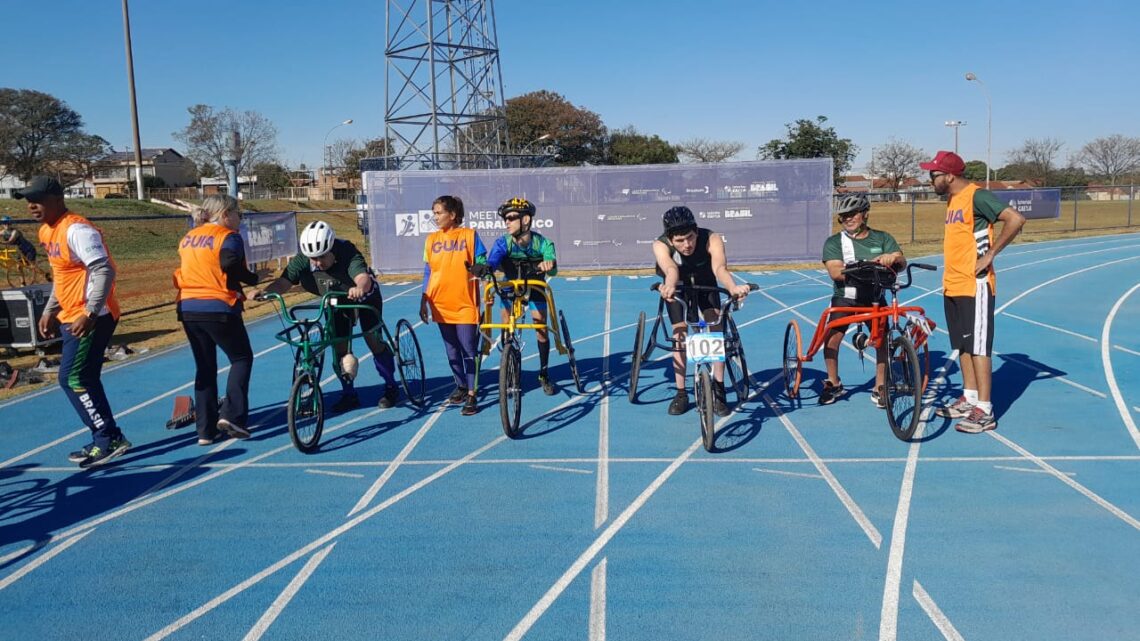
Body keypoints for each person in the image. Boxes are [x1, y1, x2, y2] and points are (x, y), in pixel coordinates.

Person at [17, 176, 130, 469]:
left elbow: (104, 270)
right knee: (84, 378)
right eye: (29, 201)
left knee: (73, 378)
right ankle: (107, 437)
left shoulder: (77, 229)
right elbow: (61, 275)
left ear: (57, 199)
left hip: (92, 317)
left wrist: (90, 312)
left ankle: (107, 438)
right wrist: (50, 310)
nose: (32, 206)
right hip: (71, 315)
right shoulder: (46, 231)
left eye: (38, 200)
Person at [921, 151, 1025, 433]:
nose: (930, 179)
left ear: (949, 176)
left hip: (974, 284)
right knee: (963, 346)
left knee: (979, 347)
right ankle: (969, 398)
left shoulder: (977, 196)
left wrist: (990, 254)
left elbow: (1015, 219)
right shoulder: (953, 200)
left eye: (933, 175)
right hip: (953, 283)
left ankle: (986, 410)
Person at [257, 220, 400, 412]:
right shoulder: (302, 260)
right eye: (312, 258)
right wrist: (265, 293)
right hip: (335, 299)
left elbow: (362, 278)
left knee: (372, 339)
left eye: (321, 257)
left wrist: (359, 288)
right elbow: (283, 282)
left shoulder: (347, 252)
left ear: (331, 249)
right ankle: (349, 394)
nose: (317, 263)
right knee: (338, 346)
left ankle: (391, 385)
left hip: (364, 295)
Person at [173, 195, 258, 445]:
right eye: (237, 213)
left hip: (188, 306)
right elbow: (229, 262)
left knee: (206, 367)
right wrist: (252, 279)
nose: (240, 218)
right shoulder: (227, 236)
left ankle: (205, 430)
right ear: (224, 215)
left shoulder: (189, 237)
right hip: (217, 306)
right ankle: (232, 415)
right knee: (241, 358)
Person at [653, 205, 752, 417]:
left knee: (715, 327)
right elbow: (671, 269)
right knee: (679, 333)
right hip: (678, 285)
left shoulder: (711, 238)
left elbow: (719, 268)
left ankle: (719, 388)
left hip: (706, 283)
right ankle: (681, 393)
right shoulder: (660, 245)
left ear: (696, 231)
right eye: (680, 241)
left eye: (690, 237)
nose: (687, 244)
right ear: (670, 240)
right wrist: (670, 285)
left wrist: (733, 288)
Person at [819, 193, 906, 407]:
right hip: (846, 297)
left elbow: (901, 262)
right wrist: (869, 265)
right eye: (843, 216)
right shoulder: (834, 242)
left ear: (864, 215)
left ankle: (880, 385)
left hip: (874, 297)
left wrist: (893, 258)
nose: (847, 219)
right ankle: (833, 381)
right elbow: (836, 272)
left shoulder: (882, 238)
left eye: (852, 214)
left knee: (883, 340)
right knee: (831, 338)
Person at [473, 196, 559, 395]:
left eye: (511, 218)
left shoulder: (543, 243)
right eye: (505, 219)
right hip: (511, 285)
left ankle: (544, 373)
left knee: (540, 328)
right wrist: (485, 269)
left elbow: (552, 268)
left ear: (526, 220)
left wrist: (549, 264)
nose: (507, 222)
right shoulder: (503, 243)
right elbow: (493, 261)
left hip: (535, 286)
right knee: (506, 325)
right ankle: (510, 362)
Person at [419, 195, 487, 416]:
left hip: (465, 304)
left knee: (468, 349)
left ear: (453, 215)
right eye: (434, 213)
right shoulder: (431, 240)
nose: (435, 217)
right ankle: (460, 385)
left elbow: (482, 260)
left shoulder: (469, 235)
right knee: (451, 351)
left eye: (438, 212)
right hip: (440, 303)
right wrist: (424, 299)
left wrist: (481, 268)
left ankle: (472, 394)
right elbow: (428, 271)